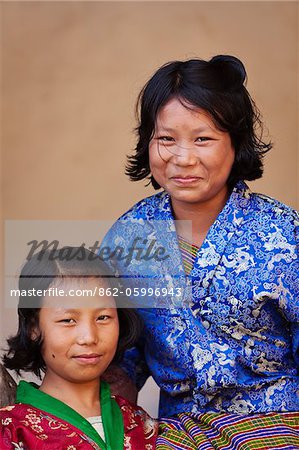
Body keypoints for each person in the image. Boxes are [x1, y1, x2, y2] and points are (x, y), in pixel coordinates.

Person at [100, 55, 299, 448]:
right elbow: (120, 361)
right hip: (177, 434)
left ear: (236, 142)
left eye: (202, 139)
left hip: (280, 430)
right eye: (166, 139)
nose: (182, 158)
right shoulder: (127, 237)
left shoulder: (284, 233)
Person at [0, 247, 157, 450]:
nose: (89, 337)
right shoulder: (11, 431)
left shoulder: (139, 422)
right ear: (34, 328)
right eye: (68, 320)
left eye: (103, 317)